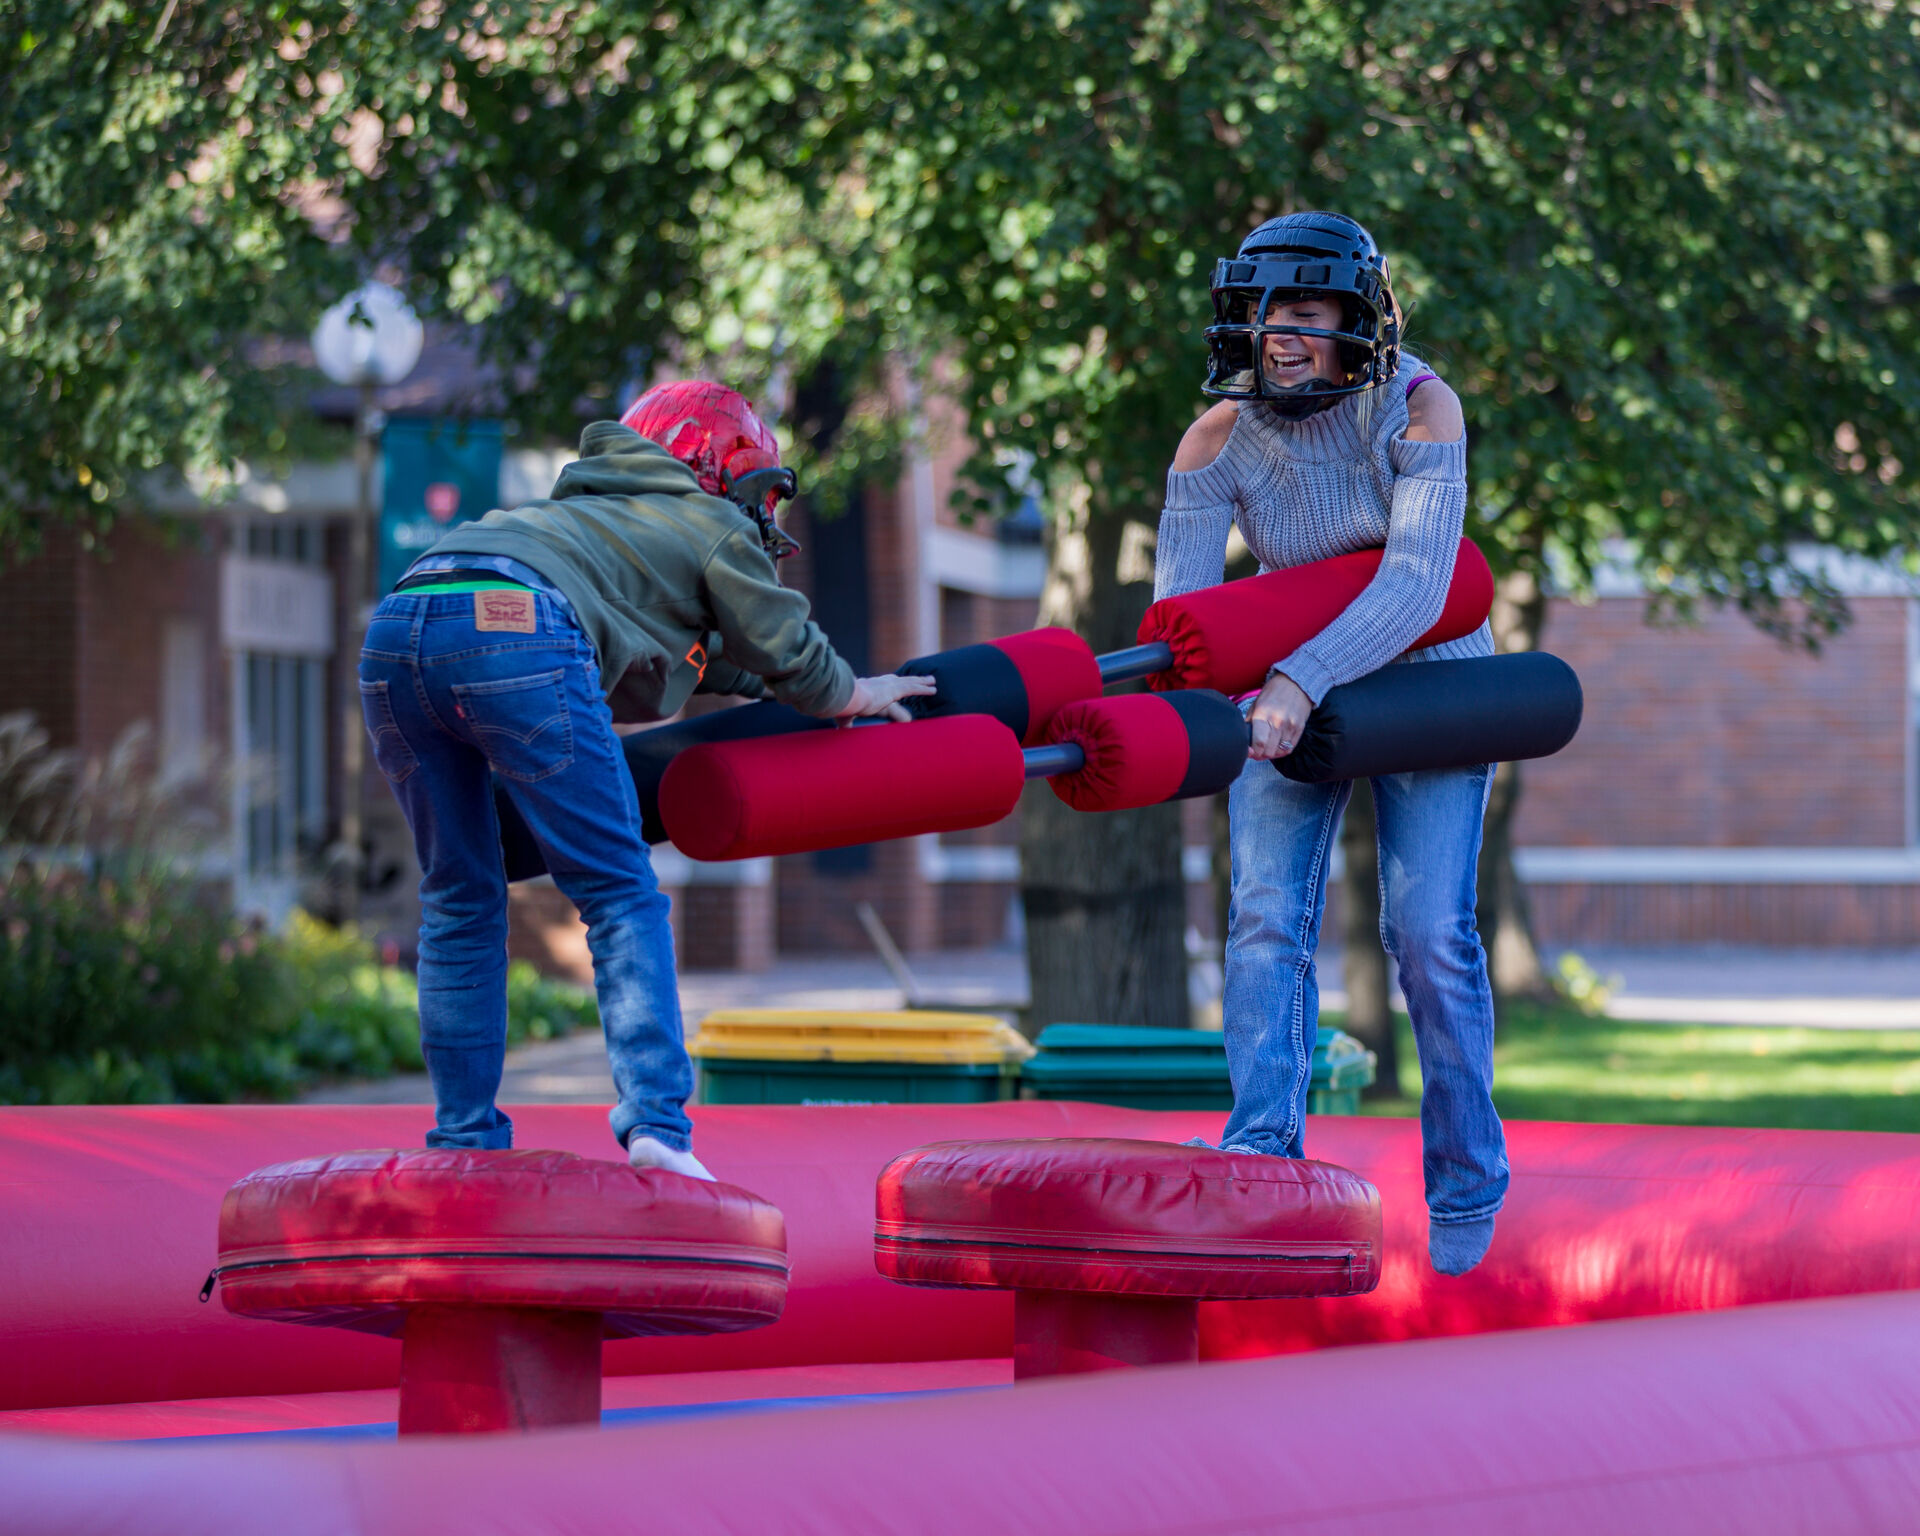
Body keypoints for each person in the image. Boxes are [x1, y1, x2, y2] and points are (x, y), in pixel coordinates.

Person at [359, 381, 934, 1179]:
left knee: (459, 897)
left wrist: (788, 682)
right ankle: (657, 1126)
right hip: (519, 625)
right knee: (618, 891)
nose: (761, 514)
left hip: (398, 626)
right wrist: (855, 692)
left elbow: (710, 657)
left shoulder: (592, 517)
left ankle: (464, 1143)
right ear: (718, 469)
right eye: (759, 492)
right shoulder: (705, 520)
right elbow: (785, 643)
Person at [1153, 211, 1507, 1275]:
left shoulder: (1421, 408)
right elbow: (1184, 606)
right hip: (1281, 695)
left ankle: (1466, 1182)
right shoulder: (1216, 435)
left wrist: (1301, 676)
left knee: (1427, 935)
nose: (1283, 333)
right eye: (1268, 313)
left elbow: (1417, 583)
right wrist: (1206, 701)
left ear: (1359, 320)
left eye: (1308, 311)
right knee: (1263, 918)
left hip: (1429, 685)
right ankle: (1262, 1154)